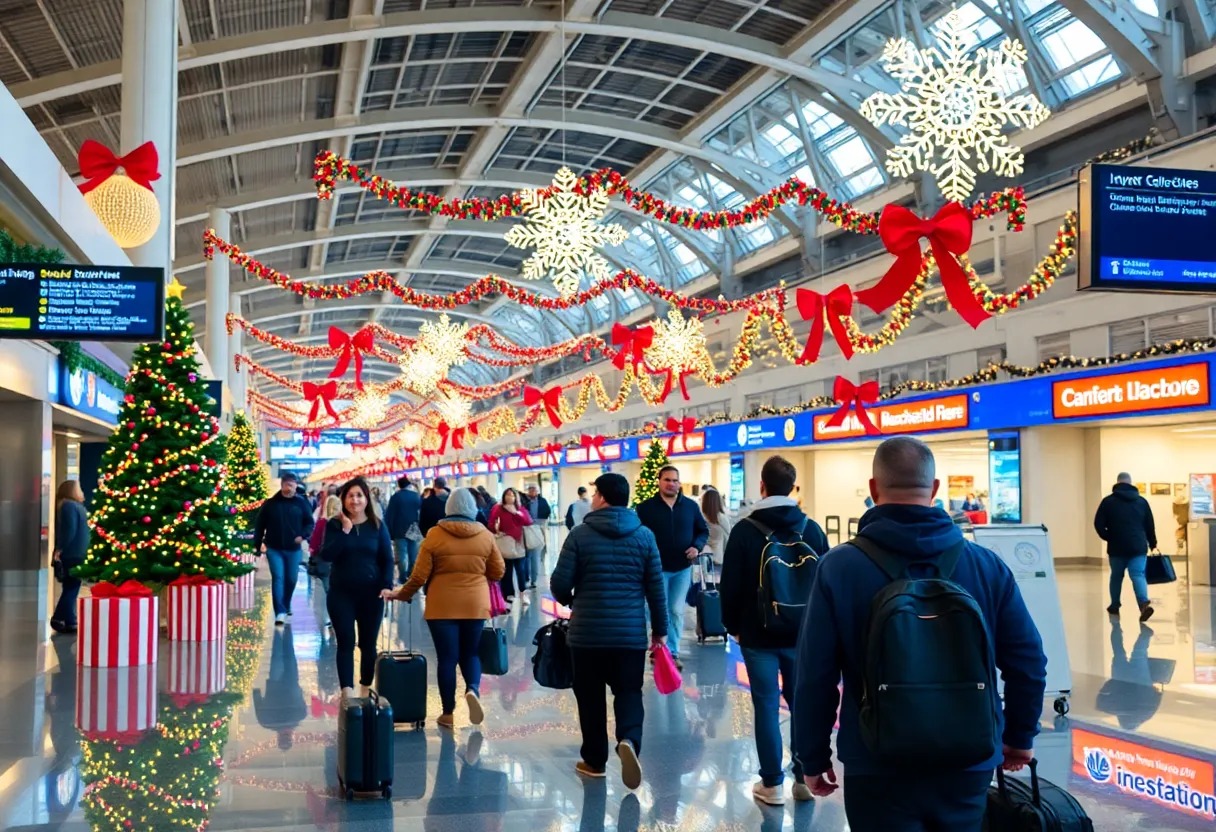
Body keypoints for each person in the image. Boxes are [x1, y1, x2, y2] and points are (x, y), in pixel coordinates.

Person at [794, 437, 1047, 831]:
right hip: (968, 755)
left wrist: (812, 755)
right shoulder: (985, 566)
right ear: (934, 489)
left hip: (875, 758)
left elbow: (814, 674)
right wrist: (1019, 734)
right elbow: (1028, 660)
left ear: (874, 489)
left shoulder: (839, 567)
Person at [720, 456, 828, 806]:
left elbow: (730, 587)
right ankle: (803, 778)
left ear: (762, 487)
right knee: (802, 705)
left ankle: (772, 785)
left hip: (758, 635)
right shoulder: (811, 529)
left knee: (766, 706)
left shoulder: (744, 530)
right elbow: (824, 584)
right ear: (793, 488)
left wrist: (733, 627)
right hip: (802, 636)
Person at [550, 473, 667, 790]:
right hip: (628, 635)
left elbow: (559, 583)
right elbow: (656, 589)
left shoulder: (580, 535)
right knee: (629, 692)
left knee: (589, 698)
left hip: (587, 634)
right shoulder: (644, 536)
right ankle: (629, 739)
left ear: (601, 497)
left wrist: (573, 601)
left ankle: (594, 760)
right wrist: (660, 630)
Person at [387, 488, 505, 728]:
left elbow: (418, 576)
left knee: (447, 659)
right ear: (473, 508)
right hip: (475, 604)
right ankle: (472, 690)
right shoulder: (485, 535)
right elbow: (498, 572)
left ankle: (448, 713)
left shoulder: (435, 535)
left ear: (448, 508)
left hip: (441, 606)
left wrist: (402, 594)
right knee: (471, 653)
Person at [320, 477, 394, 698]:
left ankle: (364, 686)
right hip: (341, 593)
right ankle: (347, 692)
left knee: (368, 644)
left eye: (359, 495)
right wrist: (345, 530)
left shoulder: (378, 526)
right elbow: (327, 555)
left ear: (366, 499)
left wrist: (387, 585)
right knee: (345, 642)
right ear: (343, 499)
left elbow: (387, 559)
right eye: (350, 495)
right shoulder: (334, 524)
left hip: (371, 595)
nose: (355, 500)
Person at [634, 465, 708, 669]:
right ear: (659, 481)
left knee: (675, 610)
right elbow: (636, 536)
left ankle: (671, 652)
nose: (671, 484)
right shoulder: (645, 508)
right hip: (655, 570)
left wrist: (697, 546)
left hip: (682, 569)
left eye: (675, 480)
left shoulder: (691, 507)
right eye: (667, 480)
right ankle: (658, 646)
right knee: (655, 609)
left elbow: (702, 530)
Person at [253, 472, 316, 625]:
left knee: (292, 579)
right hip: (274, 548)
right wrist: (257, 545)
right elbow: (259, 525)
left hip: (293, 548)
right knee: (278, 577)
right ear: (282, 485)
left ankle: (286, 603)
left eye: (293, 484)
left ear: (296, 486)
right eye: (287, 484)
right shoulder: (270, 504)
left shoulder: (301, 503)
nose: (290, 487)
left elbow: (309, 522)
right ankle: (279, 611)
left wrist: (303, 536)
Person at [1094, 472, 1157, 621]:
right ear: (1131, 483)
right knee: (1138, 575)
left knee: (1116, 576)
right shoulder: (1142, 502)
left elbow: (1098, 524)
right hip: (1138, 545)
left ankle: (1115, 605)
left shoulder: (1108, 502)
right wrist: (1153, 542)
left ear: (1117, 483)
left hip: (1117, 546)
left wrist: (1109, 537)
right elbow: (1150, 525)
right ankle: (1143, 603)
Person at [50, 480, 89, 634]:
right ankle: (59, 618)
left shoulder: (68, 506)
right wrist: (60, 548)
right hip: (74, 552)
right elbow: (70, 530)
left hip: (74, 552)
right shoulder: (72, 506)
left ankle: (70, 620)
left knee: (71, 586)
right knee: (72, 587)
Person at [489, 488, 532, 604]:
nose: (509, 497)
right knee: (507, 571)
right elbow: (492, 523)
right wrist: (496, 530)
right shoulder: (498, 508)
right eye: (507, 495)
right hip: (505, 542)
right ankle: (508, 594)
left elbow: (528, 521)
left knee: (521, 570)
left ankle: (523, 593)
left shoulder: (520, 508)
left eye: (512, 495)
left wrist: (515, 513)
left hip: (519, 542)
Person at [308, 495, 342, 629]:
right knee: (337, 592)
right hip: (339, 562)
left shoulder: (322, 523)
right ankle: (337, 619)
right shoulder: (343, 523)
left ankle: (332, 619)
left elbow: (314, 543)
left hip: (324, 562)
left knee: (329, 592)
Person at [385, 477, 422, 584]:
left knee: (401, 555)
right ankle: (412, 574)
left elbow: (390, 515)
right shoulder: (416, 496)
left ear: (399, 485)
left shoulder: (395, 497)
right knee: (413, 554)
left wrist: (389, 531)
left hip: (399, 529)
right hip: (414, 528)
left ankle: (403, 576)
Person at [522, 485, 552, 588]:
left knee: (536, 553)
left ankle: (533, 579)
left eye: (534, 490)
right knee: (527, 556)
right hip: (527, 529)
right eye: (530, 490)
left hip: (539, 528)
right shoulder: (525, 501)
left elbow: (547, 511)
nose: (532, 492)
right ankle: (527, 576)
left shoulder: (542, 501)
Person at [700, 487, 733, 566]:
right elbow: (728, 539)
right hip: (719, 559)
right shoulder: (723, 519)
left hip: (703, 559)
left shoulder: (700, 518)